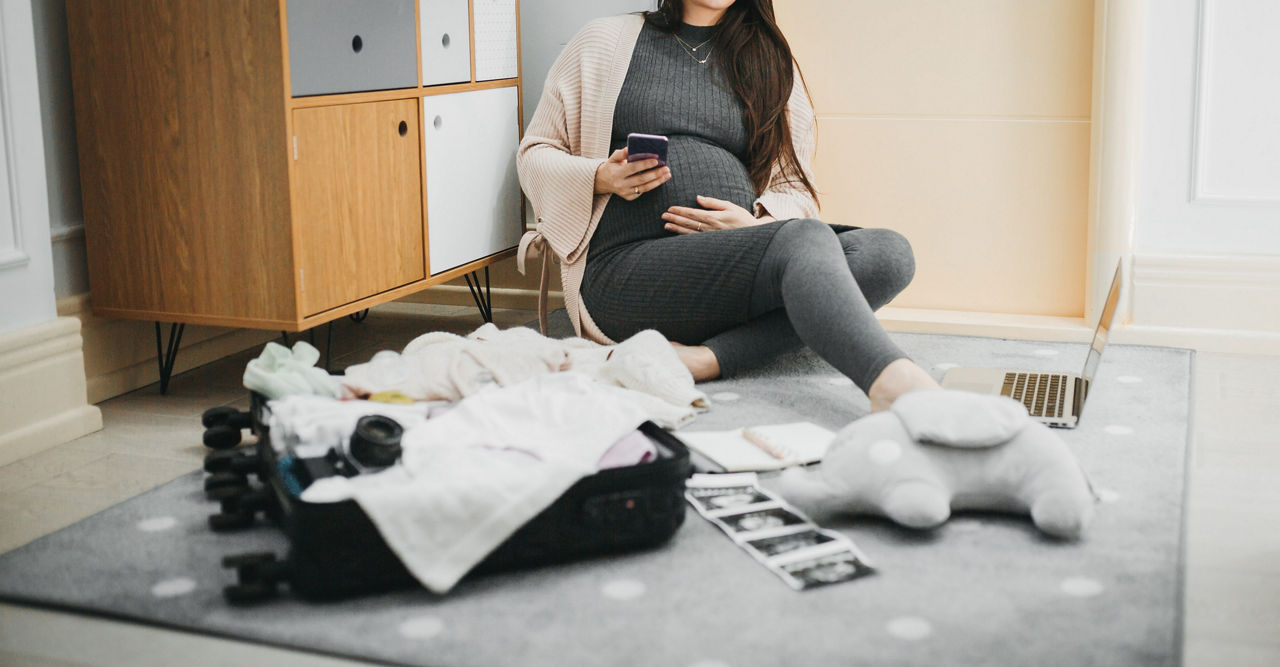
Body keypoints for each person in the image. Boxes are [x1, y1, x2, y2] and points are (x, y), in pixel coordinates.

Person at [517, 0, 940, 411]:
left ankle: (711, 357)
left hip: (735, 269)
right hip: (626, 271)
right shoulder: (603, 41)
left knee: (888, 253)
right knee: (806, 239)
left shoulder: (769, 61)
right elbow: (534, 153)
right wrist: (599, 176)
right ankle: (891, 380)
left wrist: (755, 223)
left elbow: (794, 184)